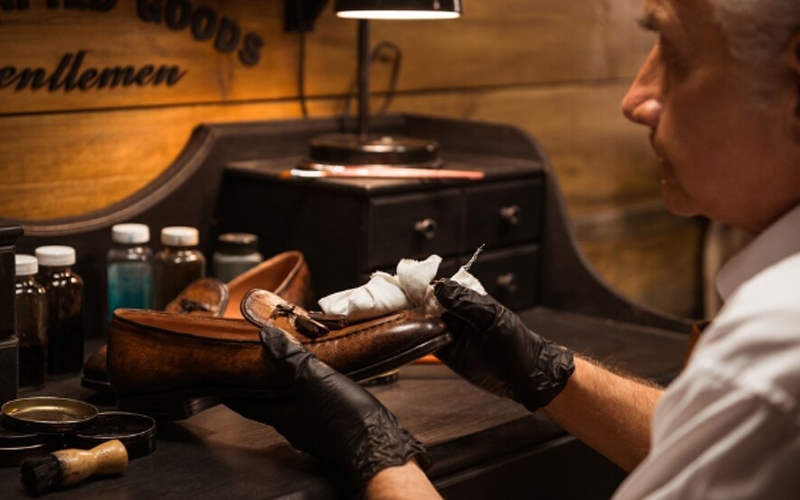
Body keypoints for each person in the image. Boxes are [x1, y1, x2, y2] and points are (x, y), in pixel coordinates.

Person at [225, 0, 800, 498]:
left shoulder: (774, 351)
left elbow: (746, 401)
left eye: (673, 53)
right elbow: (703, 438)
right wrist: (546, 371)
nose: (636, 99)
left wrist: (376, 456)